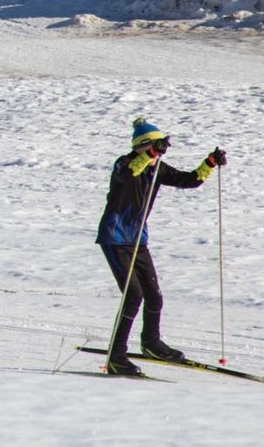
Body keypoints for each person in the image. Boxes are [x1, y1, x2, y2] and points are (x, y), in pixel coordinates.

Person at [95, 117, 228, 376]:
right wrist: (151, 154)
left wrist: (209, 164)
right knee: (133, 296)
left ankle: (151, 343)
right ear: (143, 146)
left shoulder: (157, 168)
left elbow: (190, 180)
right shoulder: (124, 163)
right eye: (155, 148)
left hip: (137, 239)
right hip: (115, 238)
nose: (160, 154)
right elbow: (131, 171)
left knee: (154, 295)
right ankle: (116, 357)